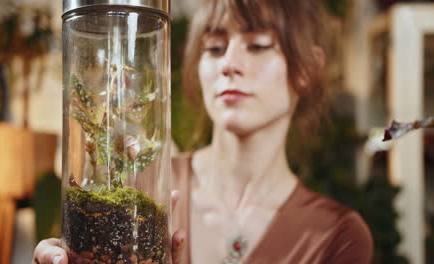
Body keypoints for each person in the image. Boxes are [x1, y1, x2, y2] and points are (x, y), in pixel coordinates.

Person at [34, 0, 374, 263]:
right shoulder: (142, 194)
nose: (229, 63)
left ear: (308, 68)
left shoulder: (336, 235)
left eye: (257, 44)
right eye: (214, 47)